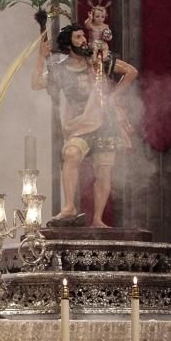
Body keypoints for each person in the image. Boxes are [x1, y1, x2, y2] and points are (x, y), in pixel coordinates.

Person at [32, 23, 138, 228]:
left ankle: (97, 219)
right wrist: (40, 57)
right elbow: (36, 84)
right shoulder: (60, 70)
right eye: (78, 37)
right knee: (71, 154)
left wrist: (114, 97)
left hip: (105, 121)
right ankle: (69, 206)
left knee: (103, 171)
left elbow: (131, 72)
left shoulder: (97, 61)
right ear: (68, 44)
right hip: (80, 124)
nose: (84, 41)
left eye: (83, 36)